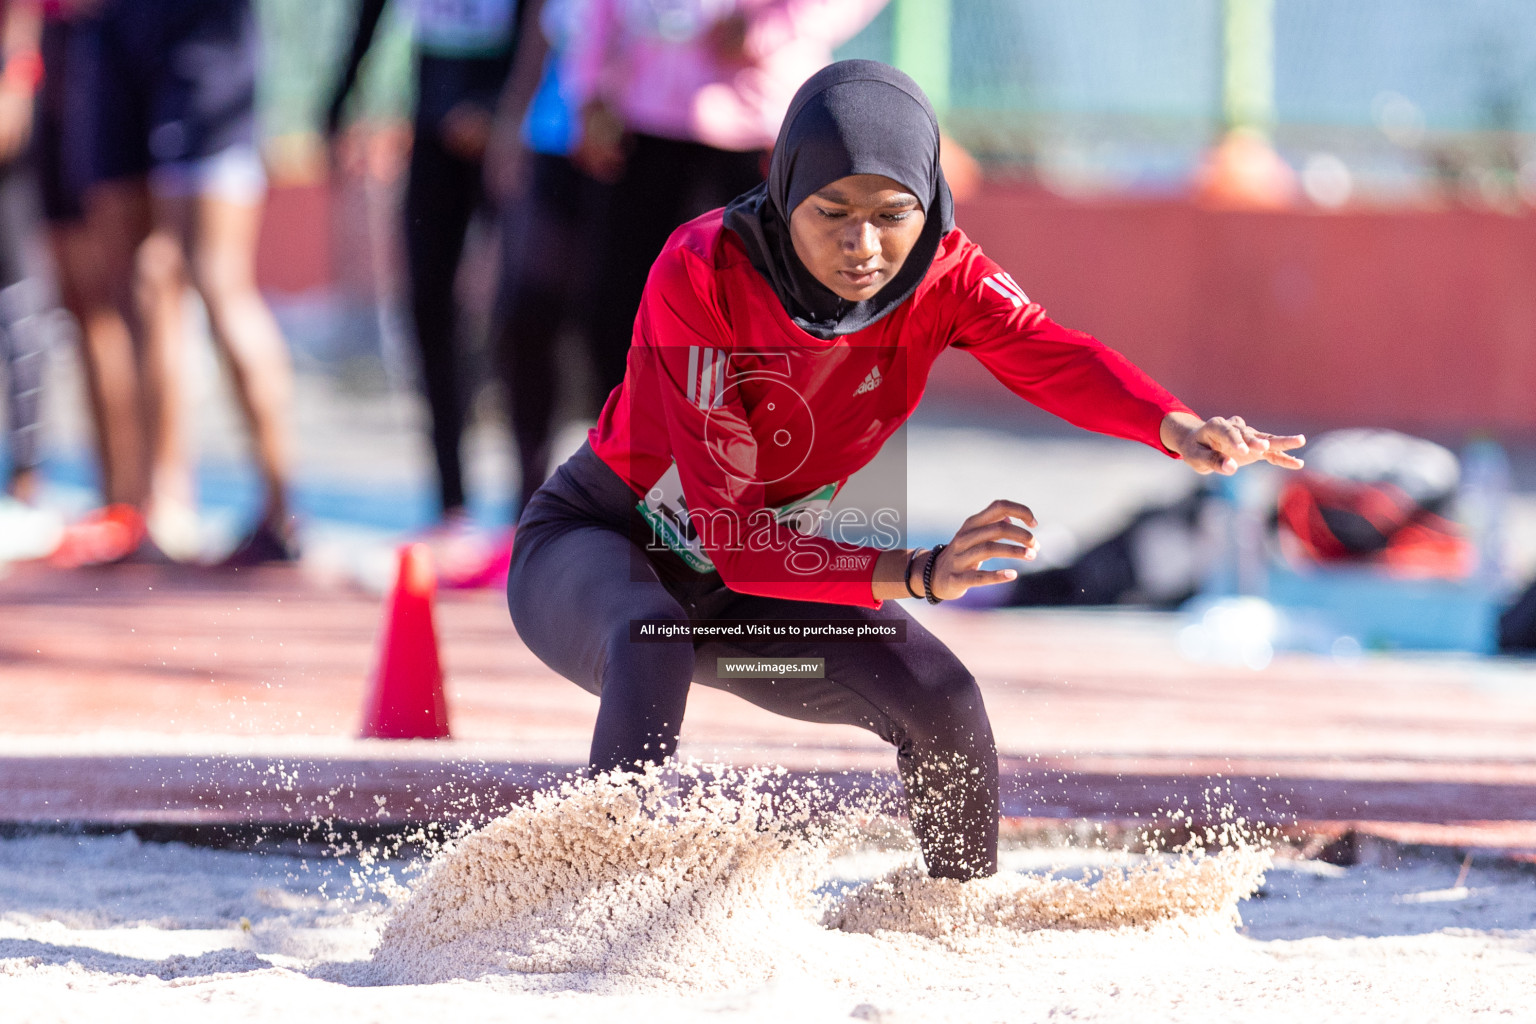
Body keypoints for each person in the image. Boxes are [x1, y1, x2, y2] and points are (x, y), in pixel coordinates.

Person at [506, 61, 1305, 880]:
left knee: (940, 697)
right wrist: (918, 571)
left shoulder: (945, 272)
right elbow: (737, 540)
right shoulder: (702, 269)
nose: (864, 247)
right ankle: (585, 899)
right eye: (834, 215)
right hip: (597, 548)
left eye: (893, 215)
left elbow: (1050, 354)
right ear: (784, 195)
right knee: (654, 638)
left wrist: (1175, 425)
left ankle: (952, 918)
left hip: (741, 629)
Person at [565, 0, 886, 399]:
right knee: (619, 316)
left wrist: (765, 27)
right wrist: (588, 89)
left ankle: (733, 450)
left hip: (750, 133)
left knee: (741, 324)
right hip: (637, 128)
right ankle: (633, 448)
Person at [76, 0, 296, 565]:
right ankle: (156, 504)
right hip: (113, 30)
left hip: (202, 38)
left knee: (215, 279)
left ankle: (281, 511)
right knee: (138, 284)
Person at [328, 0, 525, 535]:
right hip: (433, 121)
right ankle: (451, 503)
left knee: (524, 309)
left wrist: (501, 110)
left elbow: (549, 22)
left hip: (514, 127)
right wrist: (339, 100)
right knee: (427, 307)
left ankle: (533, 502)